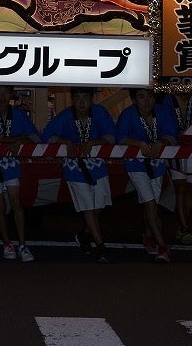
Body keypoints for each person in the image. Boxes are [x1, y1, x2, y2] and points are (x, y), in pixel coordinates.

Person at [42, 86, 117, 263]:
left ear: (92, 99)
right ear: (72, 100)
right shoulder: (65, 116)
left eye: (85, 97)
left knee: (99, 206)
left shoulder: (99, 112)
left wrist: (95, 142)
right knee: (88, 207)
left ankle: (84, 234)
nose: (81, 102)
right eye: (77, 98)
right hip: (74, 167)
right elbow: (46, 135)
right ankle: (100, 246)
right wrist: (64, 141)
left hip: (97, 165)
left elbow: (112, 135)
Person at [0, 83, 40, 262]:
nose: (3, 96)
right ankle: (7, 243)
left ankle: (22, 244)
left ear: (11, 93)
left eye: (6, 92)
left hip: (10, 162)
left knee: (16, 202)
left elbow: (35, 136)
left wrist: (19, 141)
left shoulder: (18, 114)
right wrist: (15, 139)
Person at [116, 87, 179, 263]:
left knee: (151, 204)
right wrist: (139, 144)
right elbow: (119, 137)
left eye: (150, 96)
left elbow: (172, 134)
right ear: (134, 100)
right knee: (150, 203)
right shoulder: (128, 115)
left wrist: (162, 141)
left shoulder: (162, 112)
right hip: (135, 165)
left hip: (157, 165)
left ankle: (148, 235)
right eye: (141, 97)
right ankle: (162, 245)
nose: (147, 101)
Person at [160, 90, 192, 245]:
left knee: (190, 190)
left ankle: (182, 226)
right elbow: (166, 124)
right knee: (180, 188)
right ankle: (185, 227)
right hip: (175, 147)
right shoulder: (168, 100)